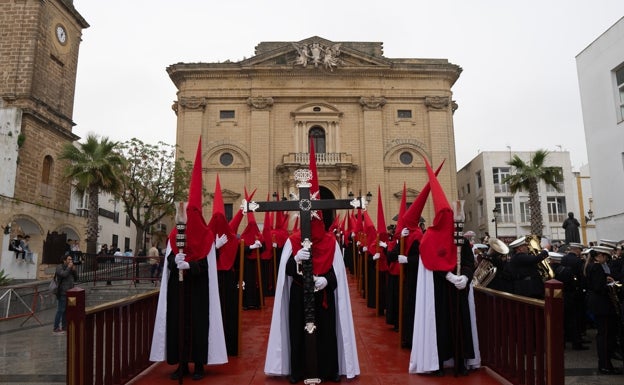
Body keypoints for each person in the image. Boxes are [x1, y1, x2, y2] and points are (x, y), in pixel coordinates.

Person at [150, 138, 227, 380]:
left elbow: (207, 265)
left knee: (198, 326)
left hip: (199, 292)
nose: (189, 216)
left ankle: (200, 365)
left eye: (193, 213)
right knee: (178, 326)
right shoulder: (175, 234)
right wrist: (176, 262)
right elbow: (169, 261)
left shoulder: (205, 236)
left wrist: (190, 265)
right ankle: (181, 364)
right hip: (178, 291)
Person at [264, 219, 360, 383]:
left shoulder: (331, 242)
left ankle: (329, 370)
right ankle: (298, 370)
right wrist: (295, 259)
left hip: (323, 295)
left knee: (327, 332)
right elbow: (286, 270)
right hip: (299, 292)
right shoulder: (293, 241)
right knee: (297, 332)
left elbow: (337, 272)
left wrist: (326, 279)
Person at [585, 246, 623, 375]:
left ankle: (606, 364)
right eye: (605, 256)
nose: (606, 259)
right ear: (599, 256)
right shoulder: (596, 268)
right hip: (602, 306)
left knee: (605, 335)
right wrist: (609, 284)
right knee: (605, 335)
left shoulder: (591, 266)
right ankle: (605, 365)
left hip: (600, 305)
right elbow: (598, 287)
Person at [561, 243, 589, 350]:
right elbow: (582, 277)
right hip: (576, 292)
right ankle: (576, 341)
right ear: (577, 250)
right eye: (580, 250)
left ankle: (568, 337)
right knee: (576, 318)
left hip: (566, 291)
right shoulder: (578, 261)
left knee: (568, 317)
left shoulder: (563, 259)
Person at [53, 254, 78, 335]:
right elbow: (63, 274)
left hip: (71, 292)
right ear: (64, 260)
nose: (71, 261)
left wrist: (74, 270)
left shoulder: (70, 268)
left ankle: (64, 327)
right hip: (63, 292)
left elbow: (77, 278)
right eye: (69, 259)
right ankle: (56, 328)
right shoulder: (59, 267)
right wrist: (69, 268)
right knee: (60, 310)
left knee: (66, 311)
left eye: (71, 259)